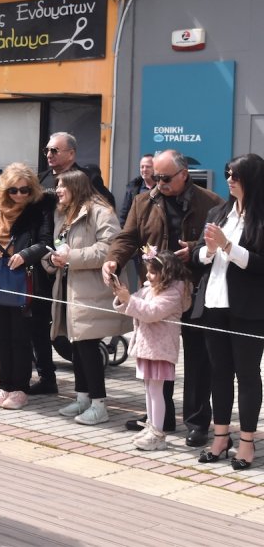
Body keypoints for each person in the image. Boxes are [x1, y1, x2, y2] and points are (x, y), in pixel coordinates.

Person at [103, 149, 223, 446]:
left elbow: (221, 242)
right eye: (155, 176)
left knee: (198, 359)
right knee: (157, 354)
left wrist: (194, 250)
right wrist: (113, 260)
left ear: (184, 174)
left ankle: (197, 423)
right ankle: (160, 419)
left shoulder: (210, 202)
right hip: (156, 290)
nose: (158, 182)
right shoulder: (145, 200)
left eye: (165, 177)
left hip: (196, 289)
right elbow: (129, 237)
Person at [189, 153, 264, 469]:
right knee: (218, 373)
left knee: (247, 376)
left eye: (235, 174)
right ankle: (220, 437)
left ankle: (247, 442)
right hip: (213, 304)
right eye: (227, 173)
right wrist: (207, 251)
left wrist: (229, 248)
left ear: (252, 178)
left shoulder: (260, 218)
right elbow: (197, 255)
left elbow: (260, 264)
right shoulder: (219, 211)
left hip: (248, 310)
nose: (229, 179)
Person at [43, 170, 129, 425]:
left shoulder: (101, 211)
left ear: (76, 187)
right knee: (77, 346)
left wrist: (71, 257)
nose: (57, 190)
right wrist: (52, 259)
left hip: (91, 290)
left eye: (62, 186)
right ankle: (82, 398)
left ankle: (99, 404)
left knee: (88, 346)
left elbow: (109, 248)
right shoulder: (64, 213)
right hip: (69, 288)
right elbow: (58, 245)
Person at [0, 163, 54, 410]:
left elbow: (46, 241)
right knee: (0, 337)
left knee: (20, 338)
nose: (20, 195)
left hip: (26, 281)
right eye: (14, 190)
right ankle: (4, 386)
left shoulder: (39, 210)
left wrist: (26, 254)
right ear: (4, 190)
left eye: (25, 190)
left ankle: (20, 388)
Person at [112, 248, 189, 451]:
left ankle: (158, 433)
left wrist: (128, 299)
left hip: (160, 349)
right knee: (149, 389)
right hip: (147, 347)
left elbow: (151, 312)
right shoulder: (149, 289)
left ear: (167, 273)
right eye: (148, 271)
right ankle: (151, 428)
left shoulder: (173, 293)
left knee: (156, 390)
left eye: (153, 272)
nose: (148, 275)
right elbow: (134, 303)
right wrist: (121, 296)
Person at [37, 132, 115, 209]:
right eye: (47, 151)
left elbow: (107, 205)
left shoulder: (88, 178)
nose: (49, 155)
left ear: (71, 154)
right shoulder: (40, 178)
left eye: (54, 151)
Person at [120, 154, 155, 227]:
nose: (144, 169)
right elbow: (124, 214)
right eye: (142, 167)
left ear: (155, 168)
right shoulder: (133, 188)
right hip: (137, 233)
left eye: (148, 167)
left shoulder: (162, 188)